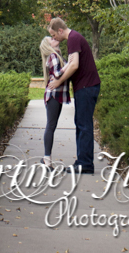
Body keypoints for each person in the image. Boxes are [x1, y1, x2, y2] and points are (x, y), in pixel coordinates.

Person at [47, 16, 100, 174]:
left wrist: (58, 82)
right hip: (85, 86)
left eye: (54, 35)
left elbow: (74, 65)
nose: (54, 38)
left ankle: (85, 164)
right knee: (81, 124)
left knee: (84, 125)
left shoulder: (73, 39)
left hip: (86, 86)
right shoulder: (74, 38)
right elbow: (71, 64)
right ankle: (82, 161)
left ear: (60, 30)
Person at [39, 35, 70, 168]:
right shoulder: (52, 56)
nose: (55, 38)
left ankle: (45, 158)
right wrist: (69, 64)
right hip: (53, 95)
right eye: (51, 38)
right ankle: (47, 159)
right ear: (48, 45)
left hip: (57, 95)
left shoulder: (57, 56)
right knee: (51, 125)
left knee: (52, 125)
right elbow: (57, 73)